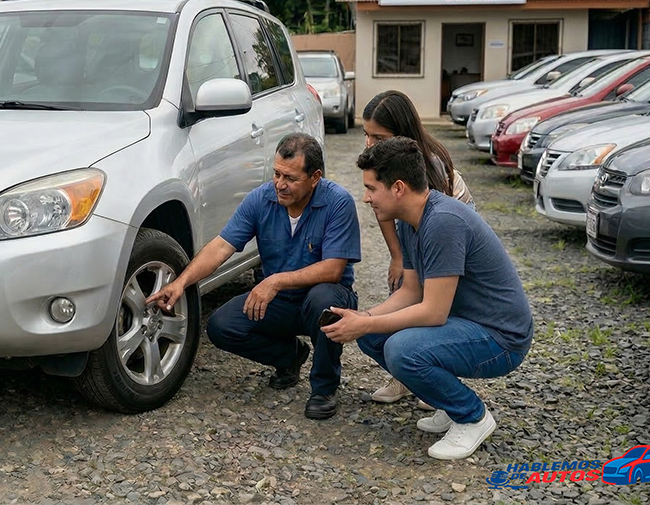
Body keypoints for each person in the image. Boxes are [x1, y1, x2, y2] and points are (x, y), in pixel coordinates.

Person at [322, 137, 533, 460]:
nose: (365, 198)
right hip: (466, 324)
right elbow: (411, 291)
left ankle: (472, 416)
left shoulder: (443, 222)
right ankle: (449, 406)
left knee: (400, 347)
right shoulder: (412, 221)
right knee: (372, 335)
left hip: (501, 337)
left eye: (371, 188)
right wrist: (364, 319)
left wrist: (368, 323)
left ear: (398, 188)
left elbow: (433, 312)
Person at [147, 133, 361, 420]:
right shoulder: (260, 199)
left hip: (325, 296)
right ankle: (290, 357)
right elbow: (221, 247)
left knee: (324, 301)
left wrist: (274, 281)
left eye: (290, 178)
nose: (280, 184)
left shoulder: (338, 202)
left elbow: (333, 269)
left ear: (315, 177)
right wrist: (180, 283)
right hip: (281, 301)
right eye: (277, 174)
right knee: (222, 326)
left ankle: (323, 388)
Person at [360, 90, 474, 407]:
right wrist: (398, 256)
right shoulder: (378, 157)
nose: (369, 143)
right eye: (366, 134)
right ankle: (408, 376)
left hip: (447, 243)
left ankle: (438, 377)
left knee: (435, 304)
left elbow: (443, 233)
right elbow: (382, 208)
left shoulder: (433, 170)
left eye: (378, 136)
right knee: (406, 295)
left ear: (403, 134)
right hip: (415, 236)